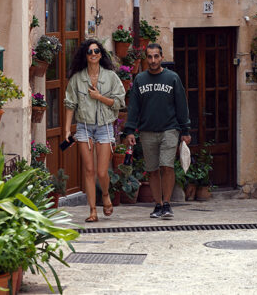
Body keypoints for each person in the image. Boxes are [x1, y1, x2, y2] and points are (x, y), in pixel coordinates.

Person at [124, 43, 191, 219]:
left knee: (166, 166)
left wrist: (186, 130)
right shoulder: (140, 79)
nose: (153, 60)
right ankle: (158, 204)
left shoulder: (172, 78)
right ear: (147, 58)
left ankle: (167, 204)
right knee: (152, 169)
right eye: (150, 57)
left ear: (161, 57)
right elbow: (134, 107)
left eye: (156, 56)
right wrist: (130, 130)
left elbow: (181, 105)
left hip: (170, 129)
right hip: (147, 131)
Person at [63, 39, 126, 223]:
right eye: (89, 52)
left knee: (101, 171)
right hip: (84, 127)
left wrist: (99, 97)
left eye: (96, 51)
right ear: (85, 55)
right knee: (89, 170)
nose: (93, 54)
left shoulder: (111, 77)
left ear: (101, 54)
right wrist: (67, 130)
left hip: (105, 127)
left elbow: (119, 102)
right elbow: (69, 104)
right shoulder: (77, 79)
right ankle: (92, 210)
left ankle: (105, 195)